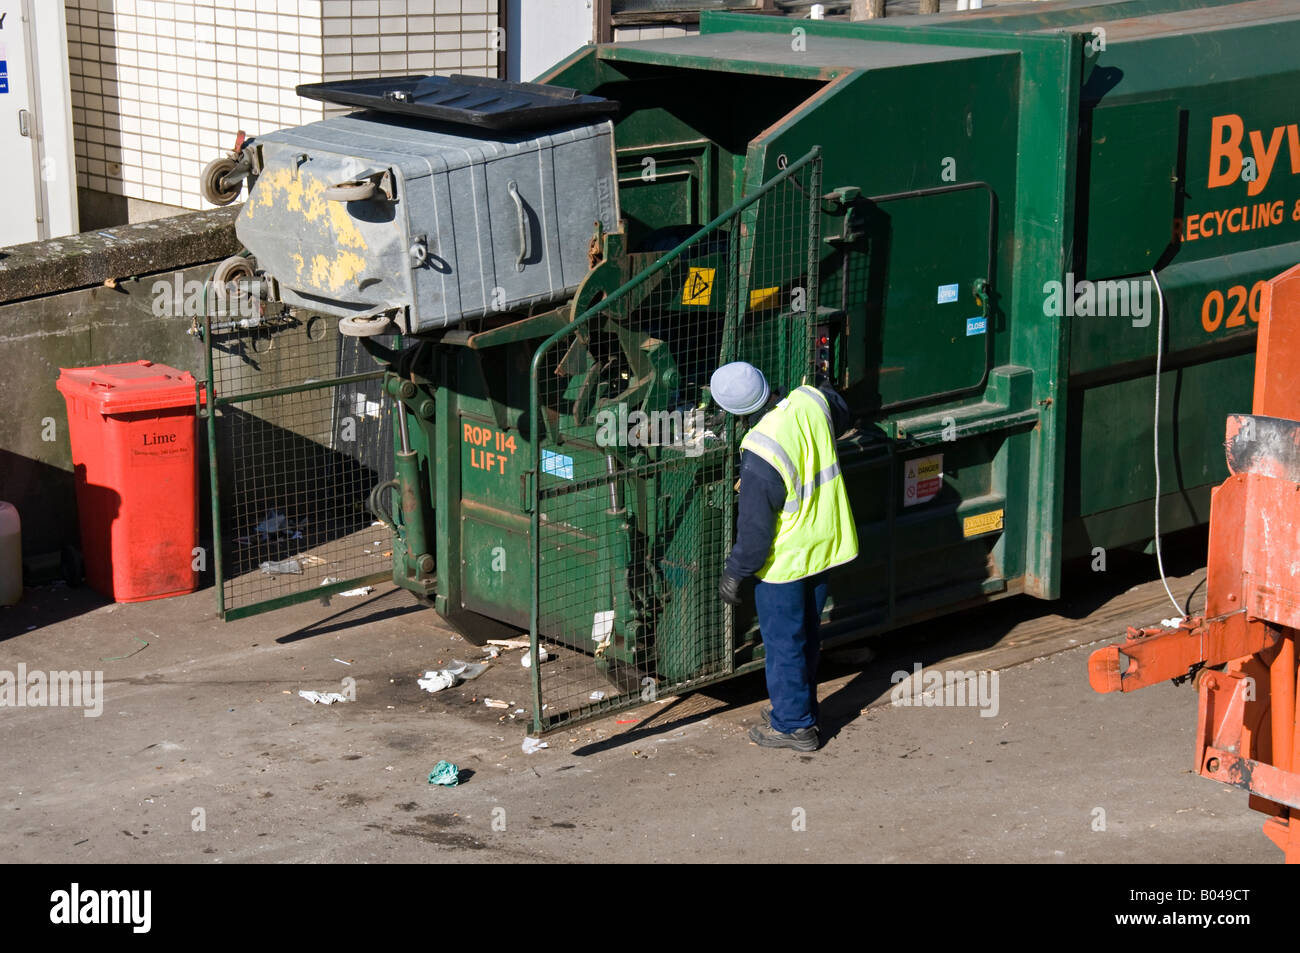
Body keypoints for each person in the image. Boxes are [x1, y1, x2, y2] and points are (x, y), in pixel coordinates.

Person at [712, 361, 858, 752]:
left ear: (734, 412)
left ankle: (793, 725)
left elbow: (757, 534)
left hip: (786, 561)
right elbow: (840, 409)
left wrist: (734, 571)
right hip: (824, 545)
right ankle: (801, 708)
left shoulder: (759, 450)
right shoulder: (809, 401)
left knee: (783, 643)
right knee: (808, 635)